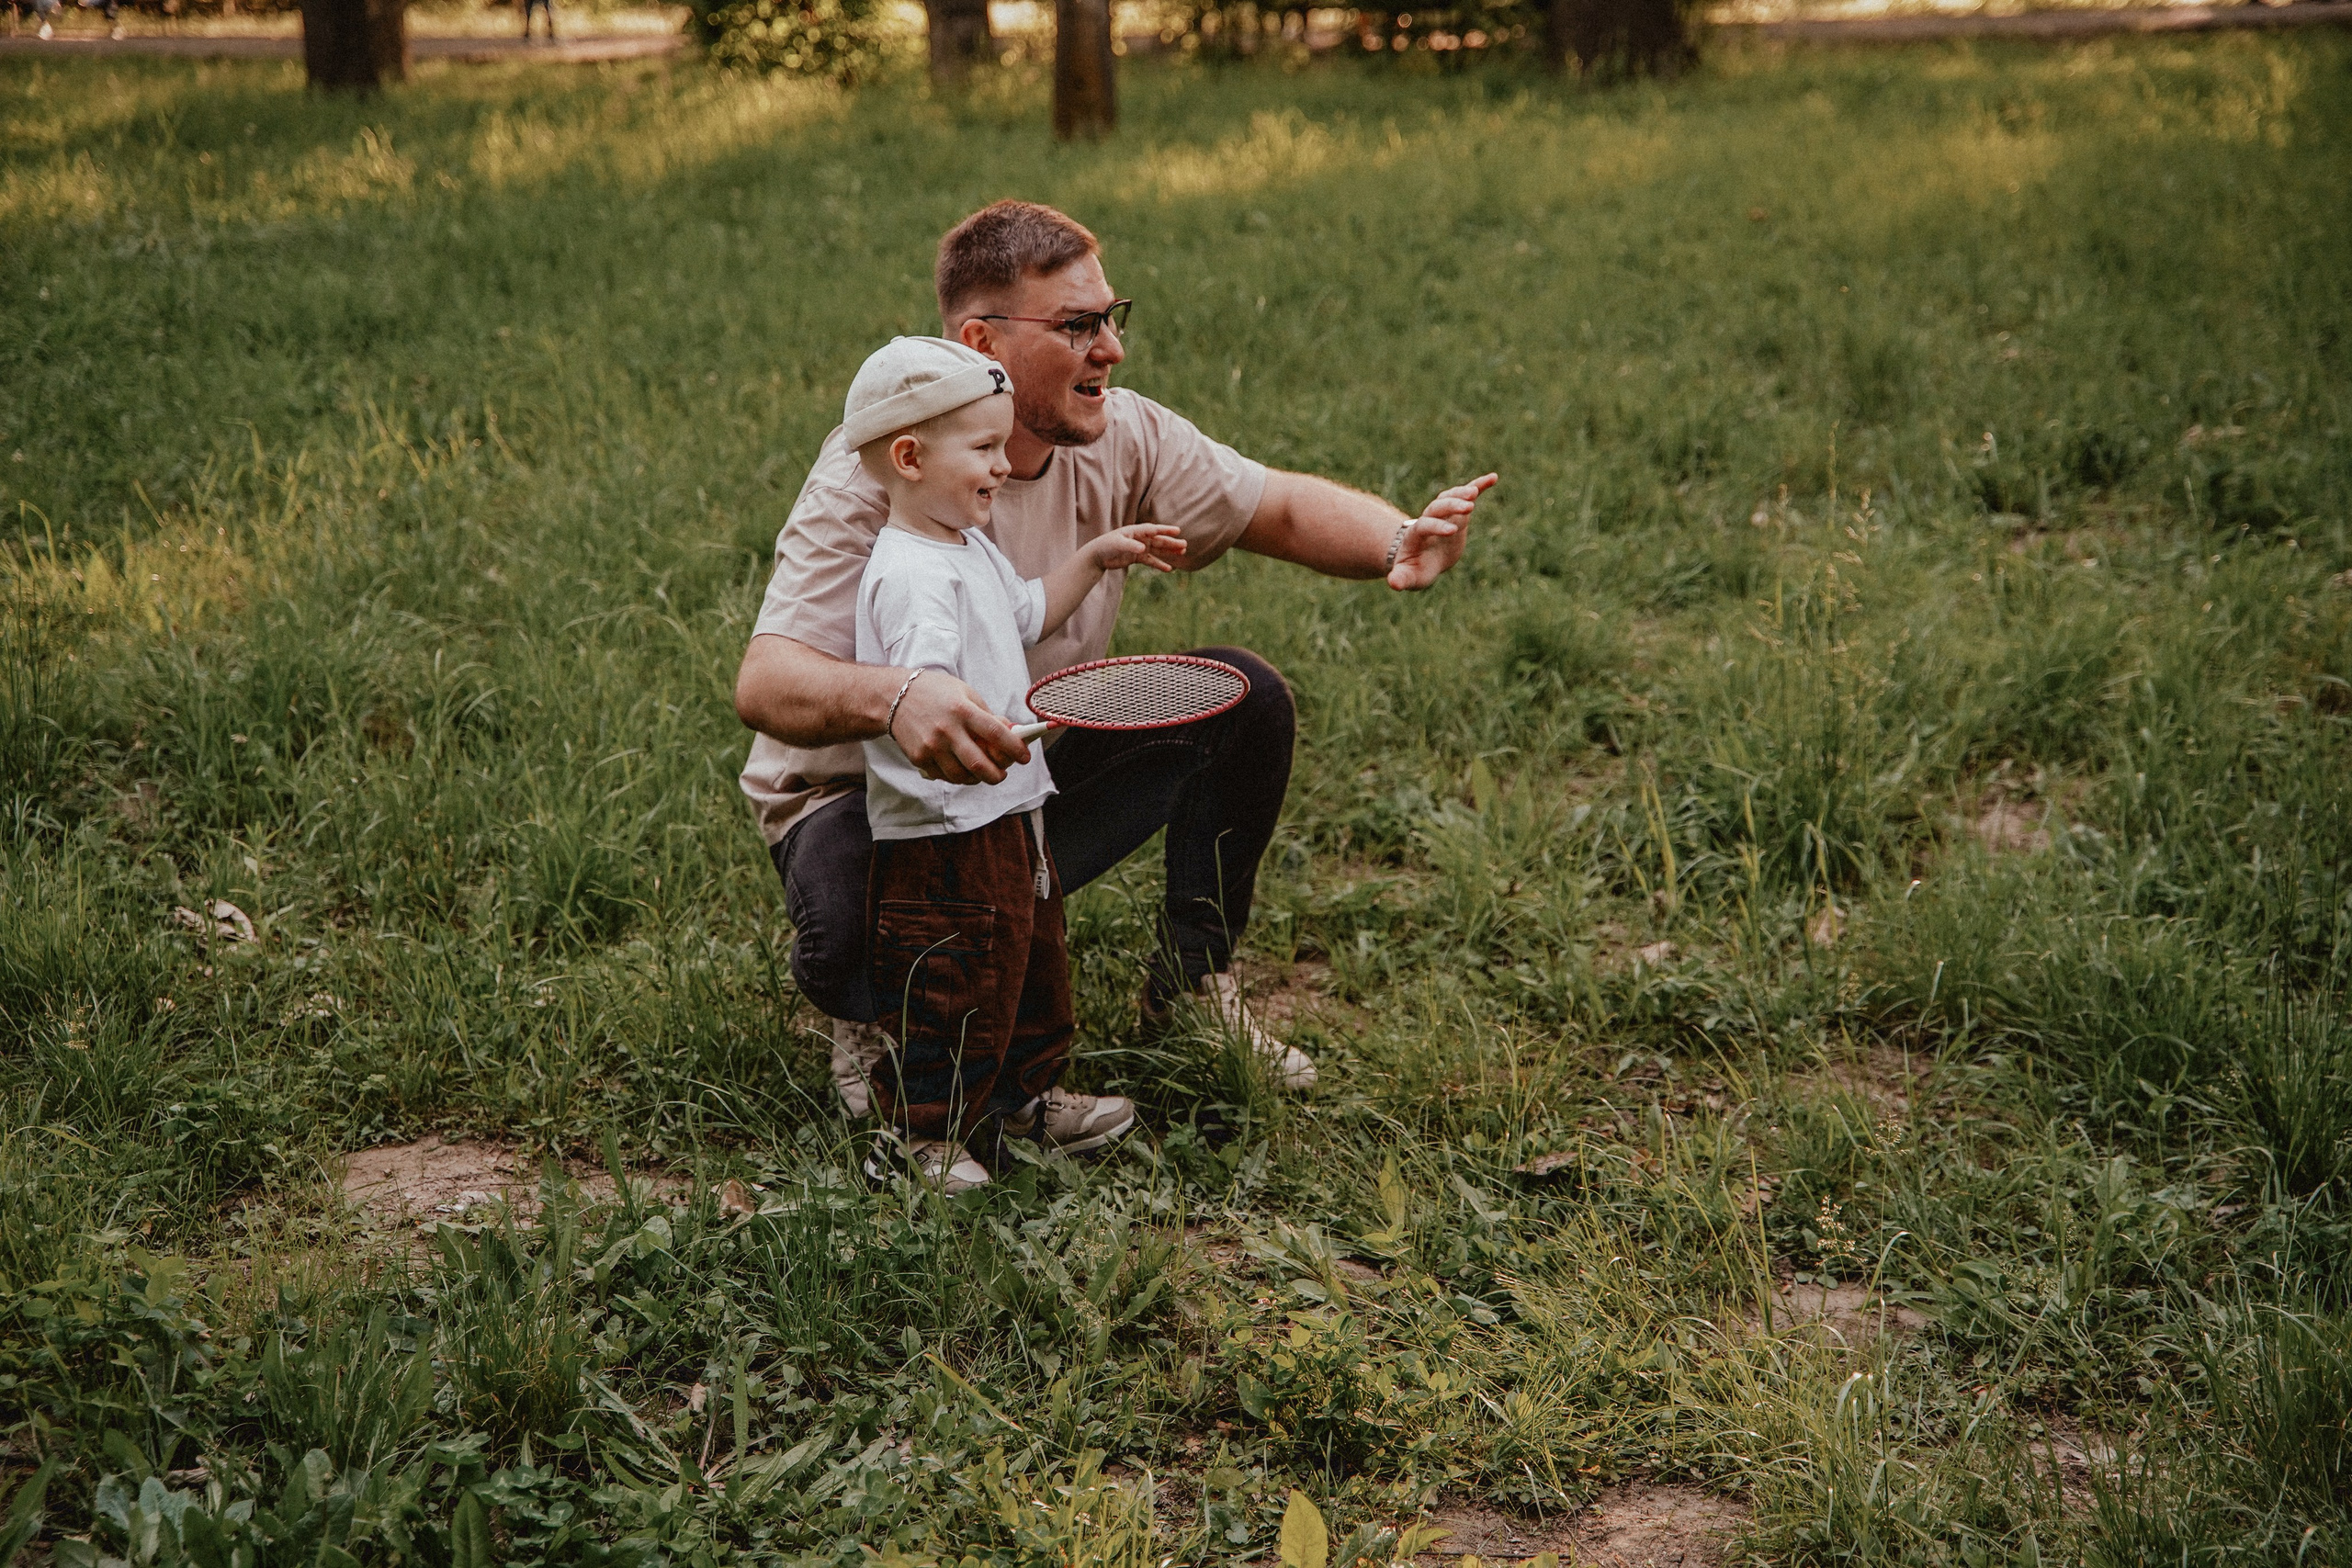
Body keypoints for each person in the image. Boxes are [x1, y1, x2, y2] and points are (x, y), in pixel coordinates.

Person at [734, 199, 1496, 1127]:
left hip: (1015, 782)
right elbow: (766, 681)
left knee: (1244, 700)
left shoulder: (1123, 434)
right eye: (1077, 325)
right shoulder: (881, 468)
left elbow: (1280, 508)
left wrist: (1398, 540)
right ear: (981, 342)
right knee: (858, 936)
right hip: (864, 805)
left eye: (1111, 317)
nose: (1112, 349)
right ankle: (877, 1017)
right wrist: (900, 698)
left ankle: (1191, 986)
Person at [841, 335, 1190, 1190]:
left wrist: (1094, 557)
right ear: (911, 458)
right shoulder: (911, 573)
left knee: (1030, 961)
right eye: (985, 448)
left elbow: (1029, 613)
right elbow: (927, 691)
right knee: (953, 980)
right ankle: (919, 1133)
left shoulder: (966, 544)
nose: (1004, 465)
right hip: (946, 829)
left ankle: (1024, 1099)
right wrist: (977, 725)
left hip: (1008, 808)